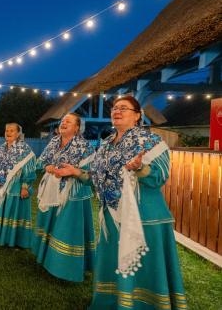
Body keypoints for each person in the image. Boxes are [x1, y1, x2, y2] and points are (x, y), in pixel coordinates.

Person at [59, 96, 187, 309]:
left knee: (141, 269)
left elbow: (160, 176)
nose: (117, 111)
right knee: (113, 264)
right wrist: (76, 172)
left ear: (137, 116)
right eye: (115, 108)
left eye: (124, 108)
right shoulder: (106, 144)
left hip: (143, 218)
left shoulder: (151, 142)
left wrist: (140, 168)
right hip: (111, 217)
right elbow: (98, 178)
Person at [31, 113, 95, 282]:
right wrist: (48, 166)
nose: (63, 123)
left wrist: (73, 172)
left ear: (77, 127)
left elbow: (91, 175)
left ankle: (65, 269)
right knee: (50, 226)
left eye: (68, 121)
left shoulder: (85, 146)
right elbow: (40, 162)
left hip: (73, 195)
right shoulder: (53, 142)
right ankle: (47, 260)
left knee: (66, 230)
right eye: (62, 121)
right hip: (51, 191)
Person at [0, 123, 36, 248]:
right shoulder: (0, 149)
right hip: (1, 189)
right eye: (6, 130)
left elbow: (30, 169)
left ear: (18, 133)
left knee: (14, 213)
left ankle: (14, 240)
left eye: (11, 130)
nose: (8, 133)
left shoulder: (24, 149)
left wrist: (25, 186)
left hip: (15, 188)